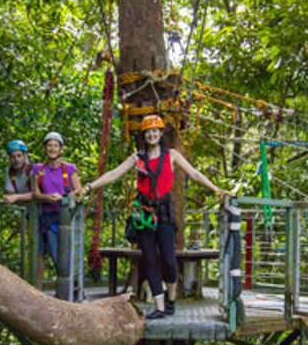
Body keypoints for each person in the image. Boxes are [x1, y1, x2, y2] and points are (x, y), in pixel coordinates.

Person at [82, 114, 228, 319]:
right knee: (150, 259)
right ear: (144, 135)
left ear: (160, 133)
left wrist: (216, 189)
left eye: (155, 130)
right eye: (148, 131)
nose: (152, 134)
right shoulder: (137, 158)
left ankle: (170, 298)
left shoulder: (172, 155)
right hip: (143, 214)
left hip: (164, 212)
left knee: (169, 259)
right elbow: (114, 173)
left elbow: (193, 173)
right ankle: (159, 307)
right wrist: (89, 186)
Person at [33, 131, 83, 289]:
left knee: (68, 256)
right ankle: (65, 291)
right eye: (49, 146)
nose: (52, 149)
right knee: (56, 256)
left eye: (55, 146)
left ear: (61, 149)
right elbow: (36, 193)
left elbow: (79, 193)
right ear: (45, 148)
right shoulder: (38, 169)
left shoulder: (69, 169)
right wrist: (47, 198)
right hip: (49, 218)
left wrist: (63, 199)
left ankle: (73, 289)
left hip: (67, 217)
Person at [4, 140, 34, 204]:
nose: (16, 159)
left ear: (25, 156)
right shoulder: (10, 172)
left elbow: (36, 194)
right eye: (13, 157)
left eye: (19, 156)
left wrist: (17, 197)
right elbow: (10, 195)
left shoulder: (33, 170)